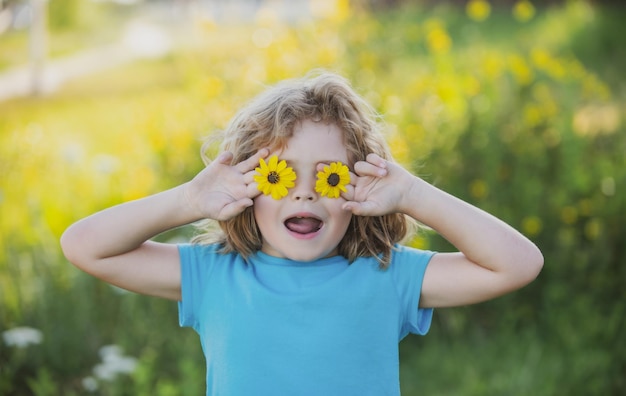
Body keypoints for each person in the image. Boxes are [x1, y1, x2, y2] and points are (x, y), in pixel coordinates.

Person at [61, 70, 543, 395]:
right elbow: (84, 246)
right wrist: (186, 201)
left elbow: (518, 264)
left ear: (359, 188)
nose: (306, 193)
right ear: (247, 186)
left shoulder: (387, 275)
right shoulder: (215, 274)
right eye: (282, 175)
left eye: (330, 176)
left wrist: (412, 193)